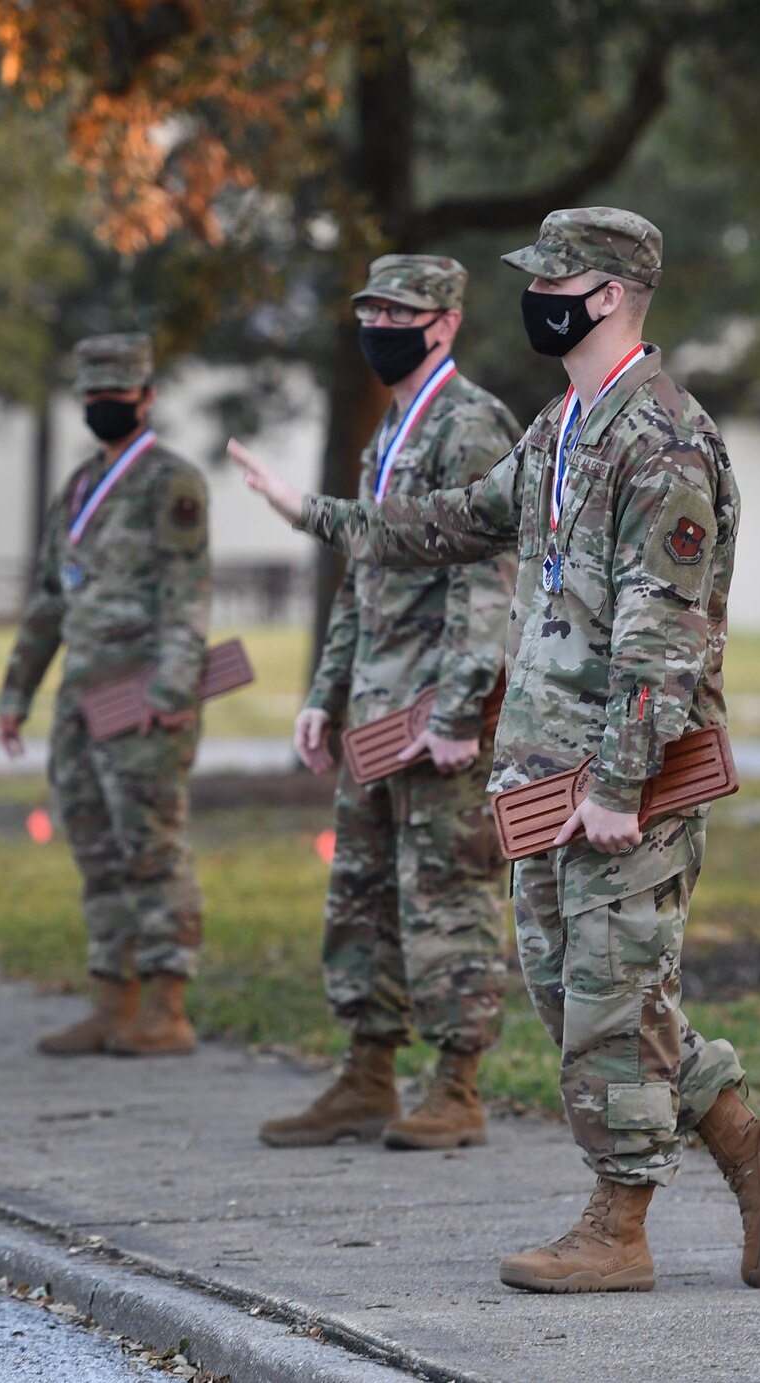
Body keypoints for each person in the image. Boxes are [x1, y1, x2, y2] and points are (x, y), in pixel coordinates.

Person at [227, 208, 760, 1294]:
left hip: (614, 776)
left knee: (604, 995)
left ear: (606, 294)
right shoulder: (560, 427)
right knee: (576, 993)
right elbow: (451, 521)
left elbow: (663, 630)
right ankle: (741, 1138)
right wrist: (315, 513)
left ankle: (617, 1225)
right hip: (539, 770)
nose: (531, 296)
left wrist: (618, 780)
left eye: (552, 280)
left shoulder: (662, 439)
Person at [256, 256, 518, 1151]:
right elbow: (362, 574)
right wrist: (326, 691)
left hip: (435, 715)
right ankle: (367, 1073)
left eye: (398, 311)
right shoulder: (392, 430)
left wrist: (458, 712)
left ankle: (457, 1083)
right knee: (363, 894)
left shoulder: (472, 424)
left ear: (443, 323)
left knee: (448, 893)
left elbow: (489, 576)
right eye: (369, 310)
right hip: (374, 710)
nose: (379, 326)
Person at [0, 332, 211, 1057]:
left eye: (118, 395)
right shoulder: (80, 487)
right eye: (93, 396)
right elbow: (49, 598)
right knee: (93, 843)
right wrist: (17, 689)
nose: (104, 406)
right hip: (80, 698)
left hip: (144, 697)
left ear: (147, 398)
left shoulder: (171, 484)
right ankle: (112, 998)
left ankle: (166, 1003)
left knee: (151, 847)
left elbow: (188, 598)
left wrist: (174, 687)